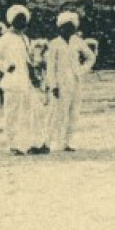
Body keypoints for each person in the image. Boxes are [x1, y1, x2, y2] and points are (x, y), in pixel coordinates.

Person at [0, 5, 46, 155]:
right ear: (12, 21)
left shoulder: (24, 38)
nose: (22, 22)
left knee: (34, 112)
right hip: (12, 82)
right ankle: (14, 145)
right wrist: (5, 66)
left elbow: (29, 59)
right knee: (13, 115)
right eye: (18, 20)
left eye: (24, 19)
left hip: (26, 81)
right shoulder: (6, 38)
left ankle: (35, 143)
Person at [44, 11, 96, 151]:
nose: (68, 30)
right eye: (65, 27)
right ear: (60, 28)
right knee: (56, 113)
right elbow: (50, 67)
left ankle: (66, 142)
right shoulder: (54, 44)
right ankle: (47, 142)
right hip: (60, 84)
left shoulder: (77, 42)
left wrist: (82, 69)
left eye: (71, 27)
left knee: (73, 112)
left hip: (75, 82)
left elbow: (91, 57)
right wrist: (53, 85)